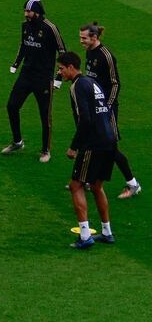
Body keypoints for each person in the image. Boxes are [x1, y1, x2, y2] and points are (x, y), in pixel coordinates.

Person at [57, 51, 117, 249]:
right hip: (109, 141)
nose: (60, 72)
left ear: (71, 67)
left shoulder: (77, 86)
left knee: (76, 185)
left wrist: (74, 147)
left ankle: (85, 236)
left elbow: (85, 119)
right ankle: (107, 232)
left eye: (61, 68)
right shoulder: (93, 82)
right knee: (97, 186)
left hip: (93, 143)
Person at [79, 22, 141, 199]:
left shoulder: (107, 56)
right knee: (93, 142)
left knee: (111, 148)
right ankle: (89, 180)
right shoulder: (89, 51)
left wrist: (107, 106)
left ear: (94, 37)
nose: (81, 41)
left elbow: (115, 83)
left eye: (84, 38)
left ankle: (133, 184)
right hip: (95, 106)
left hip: (107, 108)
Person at [2, 0, 66, 162]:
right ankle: (17, 141)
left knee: (45, 116)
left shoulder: (51, 28)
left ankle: (45, 150)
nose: (26, 14)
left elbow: (63, 52)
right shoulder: (25, 26)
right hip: (26, 75)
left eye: (28, 11)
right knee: (12, 106)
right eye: (25, 10)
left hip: (44, 78)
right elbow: (23, 45)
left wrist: (58, 78)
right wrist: (16, 64)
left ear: (37, 12)